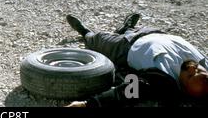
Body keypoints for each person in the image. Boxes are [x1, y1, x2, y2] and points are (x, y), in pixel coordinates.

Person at [65, 13, 208, 107]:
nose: (191, 67)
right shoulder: (205, 64)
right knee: (129, 31)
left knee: (97, 39)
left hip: (127, 47)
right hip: (153, 32)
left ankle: (84, 32)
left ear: (184, 88)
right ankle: (126, 28)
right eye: (197, 70)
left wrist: (87, 104)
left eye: (190, 75)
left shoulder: (164, 79)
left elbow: (128, 91)